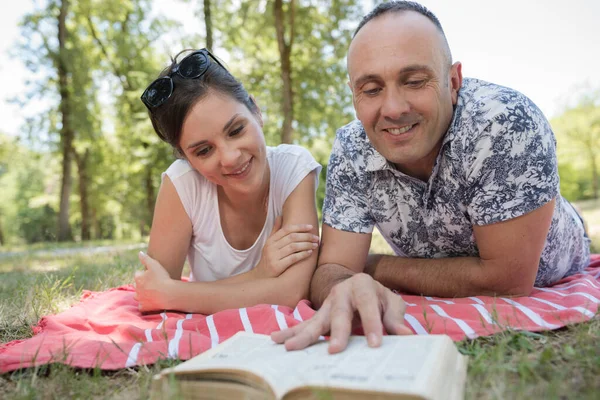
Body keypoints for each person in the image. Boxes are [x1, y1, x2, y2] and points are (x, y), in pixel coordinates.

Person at [272, 1, 590, 353]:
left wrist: (373, 266)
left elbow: (507, 280)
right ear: (354, 94)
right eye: (372, 89)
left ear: (453, 82)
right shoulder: (351, 147)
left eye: (414, 81)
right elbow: (331, 268)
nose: (393, 109)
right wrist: (347, 285)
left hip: (560, 258)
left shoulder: (505, 122)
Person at [134, 48, 321, 314]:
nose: (231, 158)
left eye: (236, 130)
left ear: (256, 111)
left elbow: (293, 291)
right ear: (186, 158)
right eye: (204, 151)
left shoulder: (294, 167)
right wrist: (261, 274)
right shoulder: (182, 183)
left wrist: (174, 295)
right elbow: (152, 293)